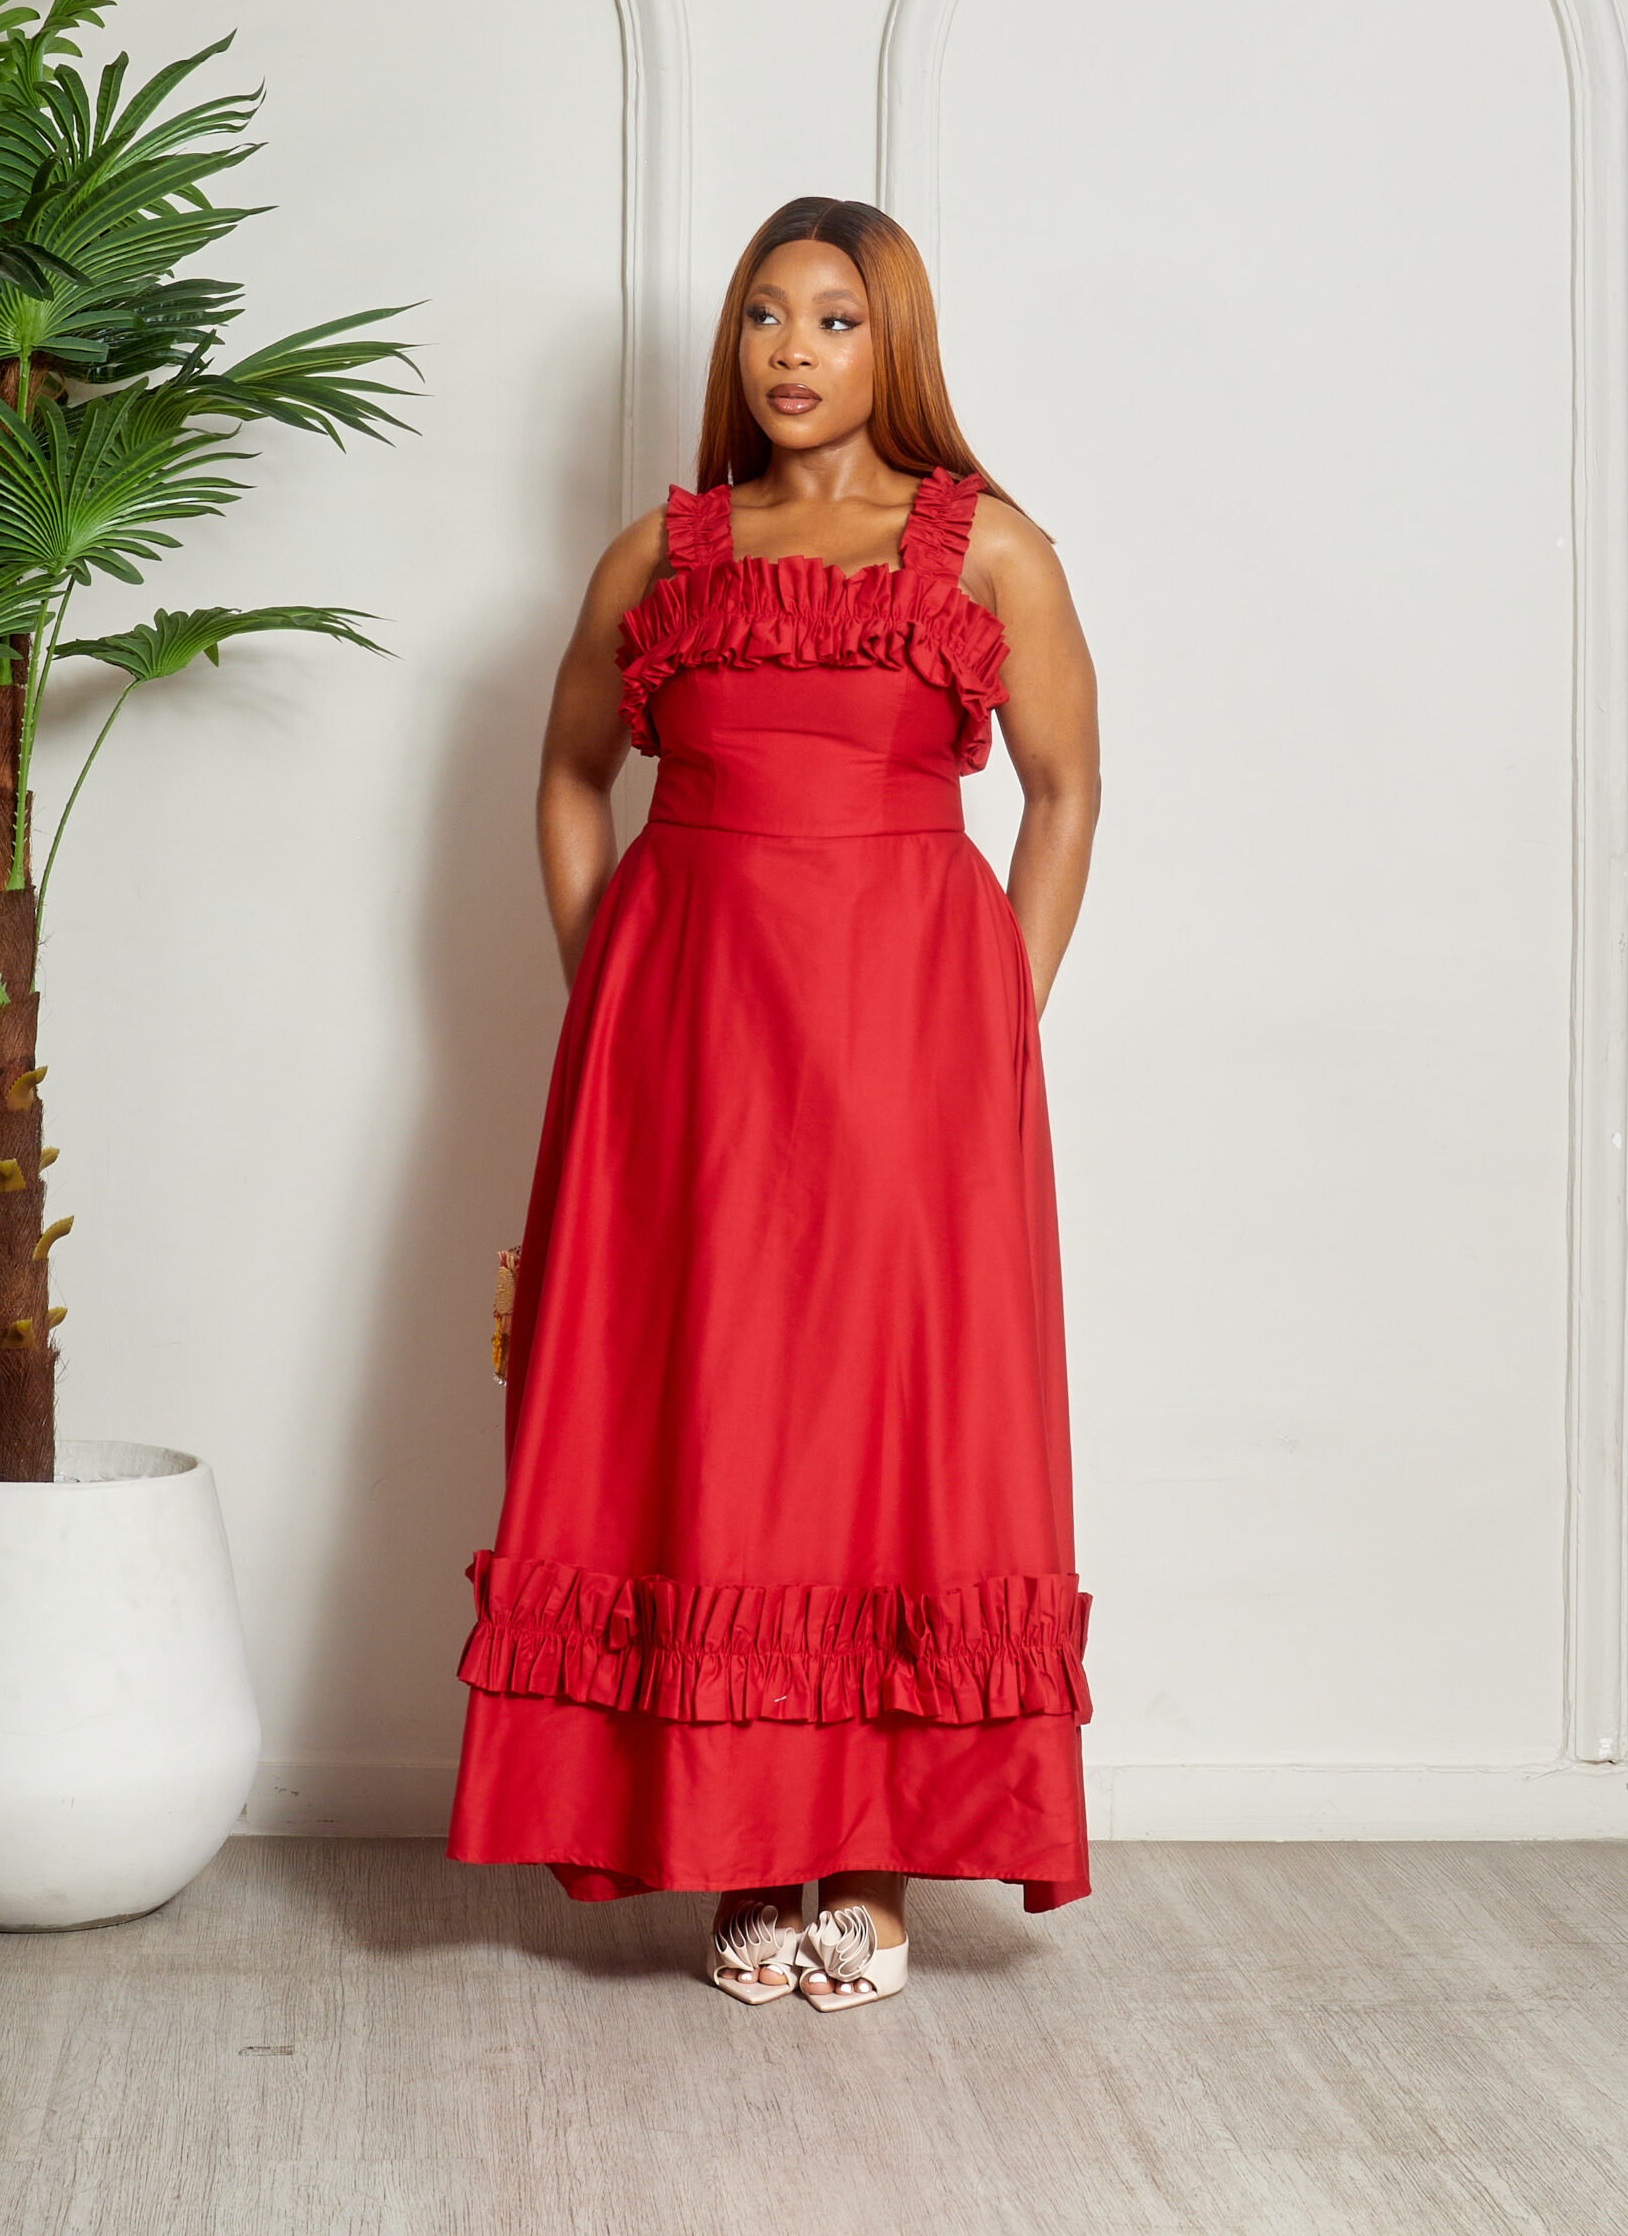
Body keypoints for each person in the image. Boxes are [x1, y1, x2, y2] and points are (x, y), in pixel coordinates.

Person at [445, 196, 1101, 2010]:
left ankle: (871, 1866)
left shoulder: (989, 551)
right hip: (689, 1053)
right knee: (719, 1414)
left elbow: (1064, 794)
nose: (793, 350)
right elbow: (569, 777)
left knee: (881, 1425)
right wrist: (613, 991)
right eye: (762, 315)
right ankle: (742, 1849)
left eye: (835, 318)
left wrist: (997, 1018)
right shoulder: (658, 556)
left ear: (898, 344)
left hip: (907, 1046)